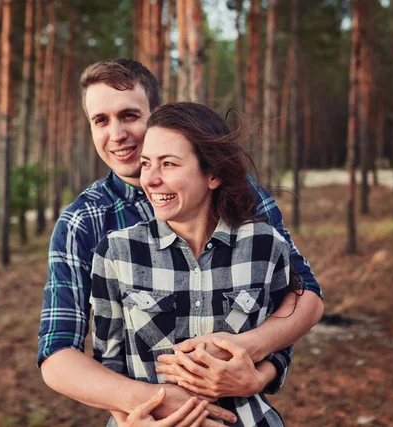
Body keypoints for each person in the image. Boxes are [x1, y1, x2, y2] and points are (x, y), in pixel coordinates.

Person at [37, 59, 323, 424]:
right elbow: (59, 353)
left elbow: (304, 295)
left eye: (129, 115)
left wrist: (251, 367)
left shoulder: (239, 193)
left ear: (157, 114)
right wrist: (147, 404)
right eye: (101, 121)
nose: (117, 134)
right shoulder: (85, 222)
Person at [91, 102, 297, 426]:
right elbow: (107, 364)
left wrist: (258, 378)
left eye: (169, 164)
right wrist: (129, 419)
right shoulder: (116, 252)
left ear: (213, 174)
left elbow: (281, 343)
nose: (151, 179)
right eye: (146, 164)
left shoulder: (264, 245)